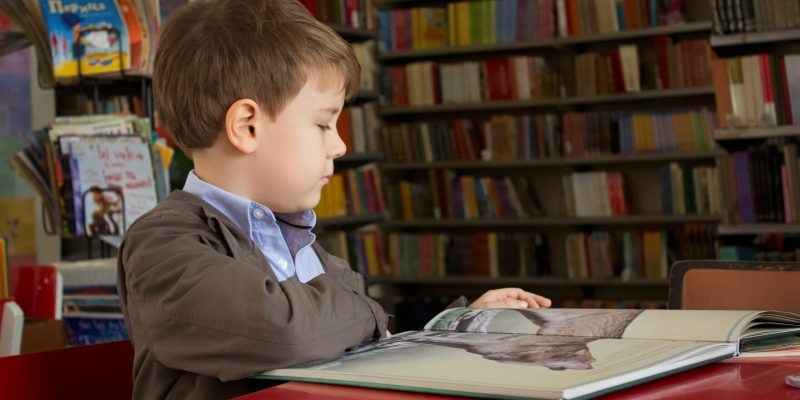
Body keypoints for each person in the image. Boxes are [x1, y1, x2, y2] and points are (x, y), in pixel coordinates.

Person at [116, 1, 552, 399]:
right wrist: (365, 308)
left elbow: (352, 344)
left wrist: (452, 328)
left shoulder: (299, 239)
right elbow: (286, 332)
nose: (340, 146)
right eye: (324, 124)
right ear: (247, 126)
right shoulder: (162, 244)